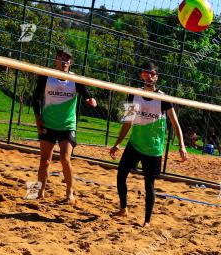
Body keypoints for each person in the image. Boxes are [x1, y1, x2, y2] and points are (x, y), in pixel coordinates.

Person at [109, 62, 187, 227]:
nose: (149, 76)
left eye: (152, 74)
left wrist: (182, 145)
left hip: (153, 149)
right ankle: (123, 209)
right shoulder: (134, 94)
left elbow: (175, 123)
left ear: (156, 77)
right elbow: (128, 122)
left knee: (148, 184)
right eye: (146, 73)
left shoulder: (163, 98)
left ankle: (147, 221)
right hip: (135, 144)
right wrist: (117, 143)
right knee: (121, 174)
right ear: (141, 76)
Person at [31, 48, 97, 203]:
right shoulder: (47, 76)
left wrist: (90, 99)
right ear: (56, 60)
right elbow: (36, 99)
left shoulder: (75, 79)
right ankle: (40, 192)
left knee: (65, 159)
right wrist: (38, 120)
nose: (65, 61)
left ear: (70, 63)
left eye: (68, 59)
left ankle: (69, 193)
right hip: (48, 123)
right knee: (44, 160)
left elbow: (85, 92)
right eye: (62, 58)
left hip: (67, 125)